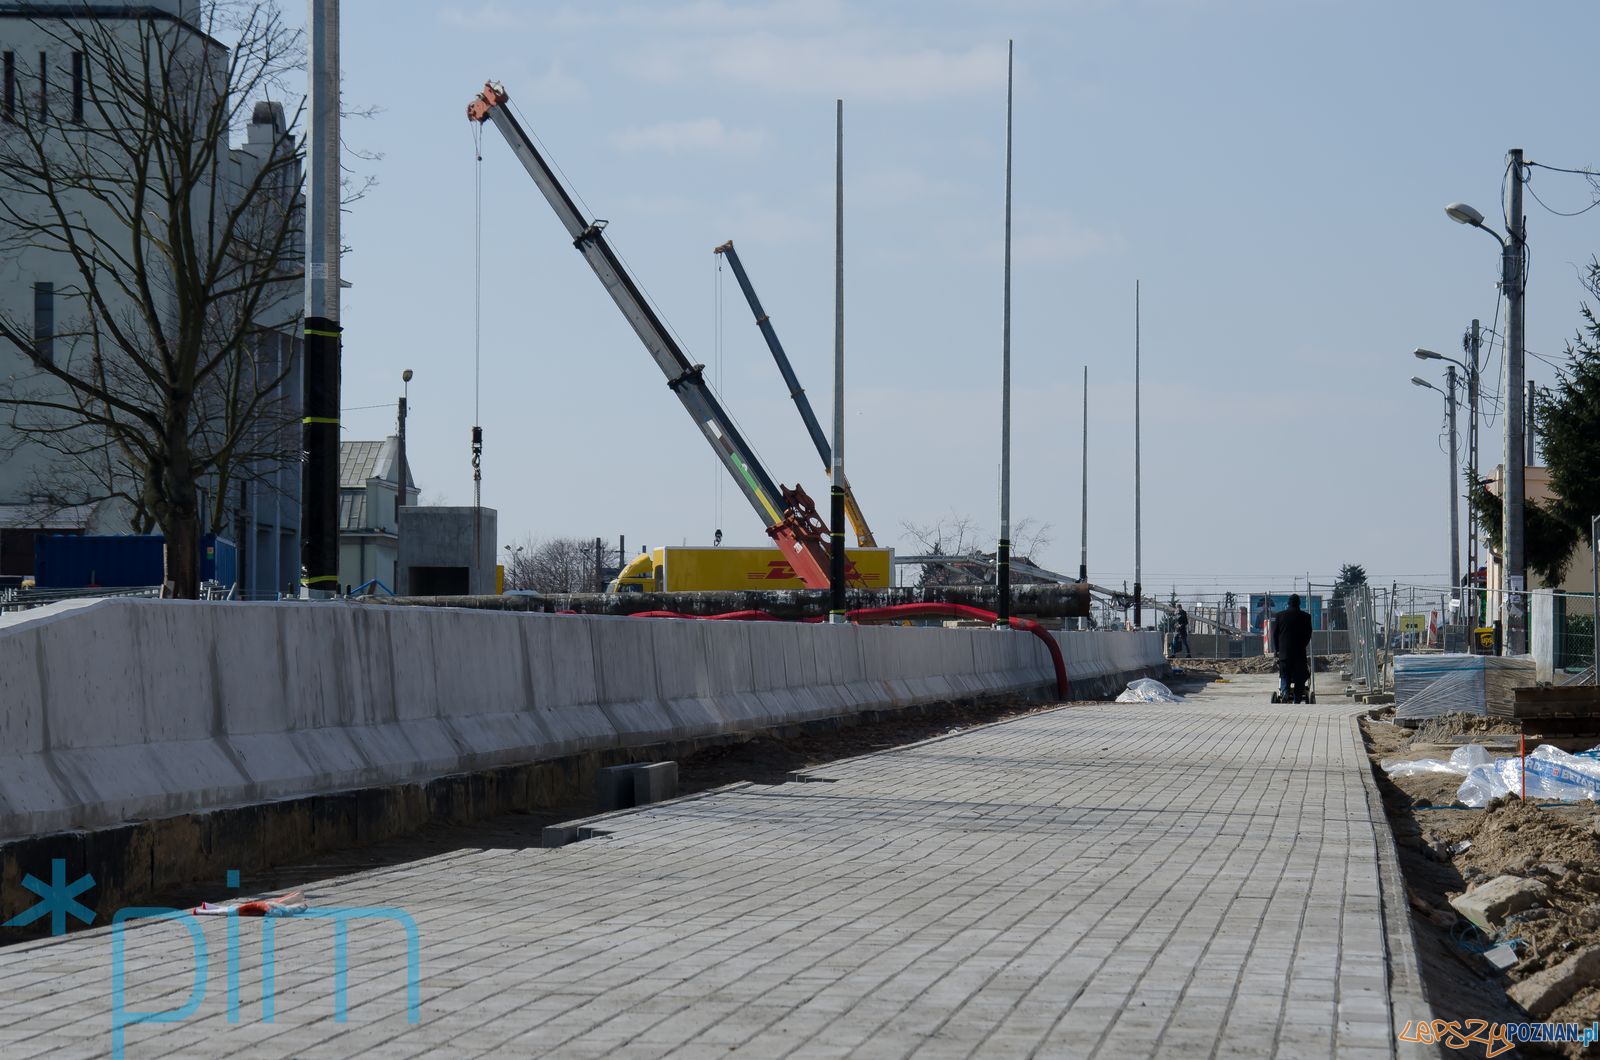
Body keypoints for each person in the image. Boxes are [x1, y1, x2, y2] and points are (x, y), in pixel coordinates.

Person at [1273, 593, 1314, 702]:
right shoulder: (1306, 617)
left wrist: (1277, 650)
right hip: (1299, 653)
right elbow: (1308, 634)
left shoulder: (1280, 616)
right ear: (1299, 603)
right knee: (1299, 677)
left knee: (1284, 674)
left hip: (1284, 653)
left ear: (1288, 603)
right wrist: (1302, 645)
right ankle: (1297, 699)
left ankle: (1285, 691)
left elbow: (1275, 634)